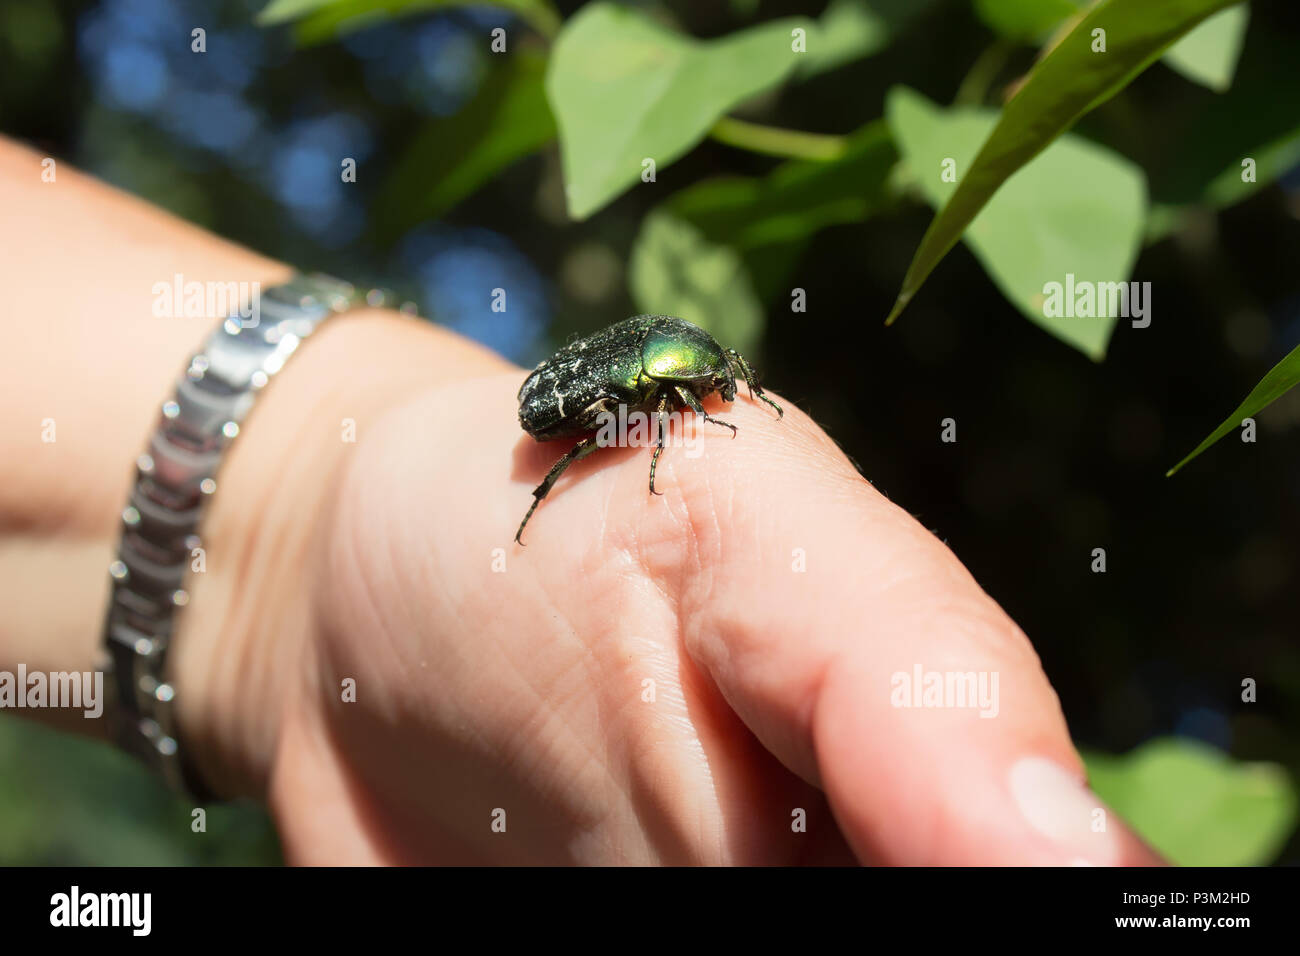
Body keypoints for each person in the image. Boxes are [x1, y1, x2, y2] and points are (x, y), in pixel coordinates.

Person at [0, 137, 1161, 865]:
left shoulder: (678, 369)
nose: (715, 396)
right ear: (684, 377)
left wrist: (304, 519)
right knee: (615, 439)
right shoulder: (646, 393)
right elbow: (634, 415)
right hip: (542, 415)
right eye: (708, 386)